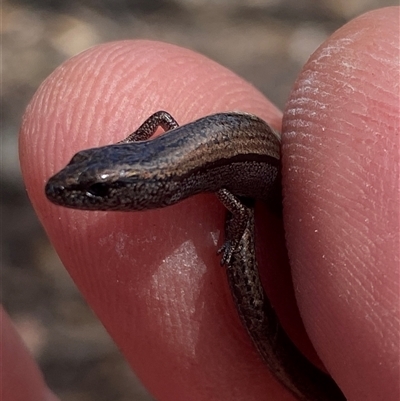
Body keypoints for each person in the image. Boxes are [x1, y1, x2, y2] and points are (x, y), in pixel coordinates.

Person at [7, 7, 399, 401]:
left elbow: (241, 210)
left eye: (99, 191)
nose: (79, 195)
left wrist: (234, 240)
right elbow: (162, 119)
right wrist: (134, 143)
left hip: (273, 181)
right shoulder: (184, 175)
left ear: (146, 186)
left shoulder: (191, 178)